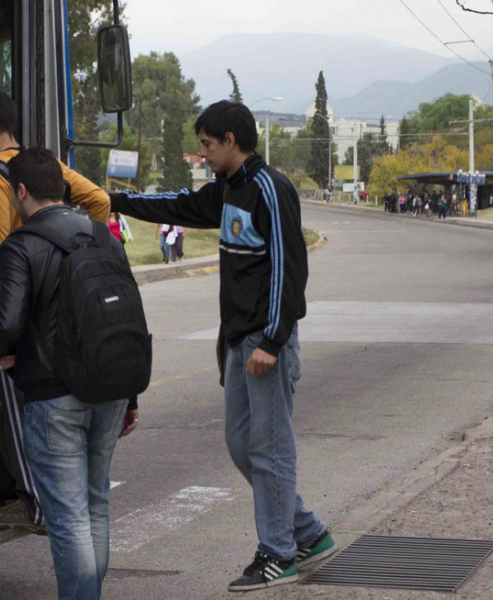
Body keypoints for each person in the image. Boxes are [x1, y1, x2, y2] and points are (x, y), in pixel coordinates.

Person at [110, 101, 335, 592]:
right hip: (237, 341)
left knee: (270, 448)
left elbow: (289, 271)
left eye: (208, 146)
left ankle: (278, 553)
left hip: (264, 342)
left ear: (231, 141)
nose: (204, 155)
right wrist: (117, 202)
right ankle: (307, 532)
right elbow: (177, 205)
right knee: (240, 444)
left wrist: (273, 341)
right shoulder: (227, 189)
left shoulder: (269, 190)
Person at [0, 148, 138, 600]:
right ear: (62, 189)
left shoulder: (22, 245)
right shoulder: (104, 236)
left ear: (19, 191)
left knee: (67, 518)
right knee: (96, 503)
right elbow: (122, 318)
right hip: (110, 386)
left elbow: (7, 320)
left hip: (54, 395)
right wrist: (131, 397)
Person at [0, 90, 110, 534]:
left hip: (6, 314)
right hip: (51, 319)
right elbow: (101, 202)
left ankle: (36, 505)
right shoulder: (48, 168)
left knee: (12, 418)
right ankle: (43, 499)